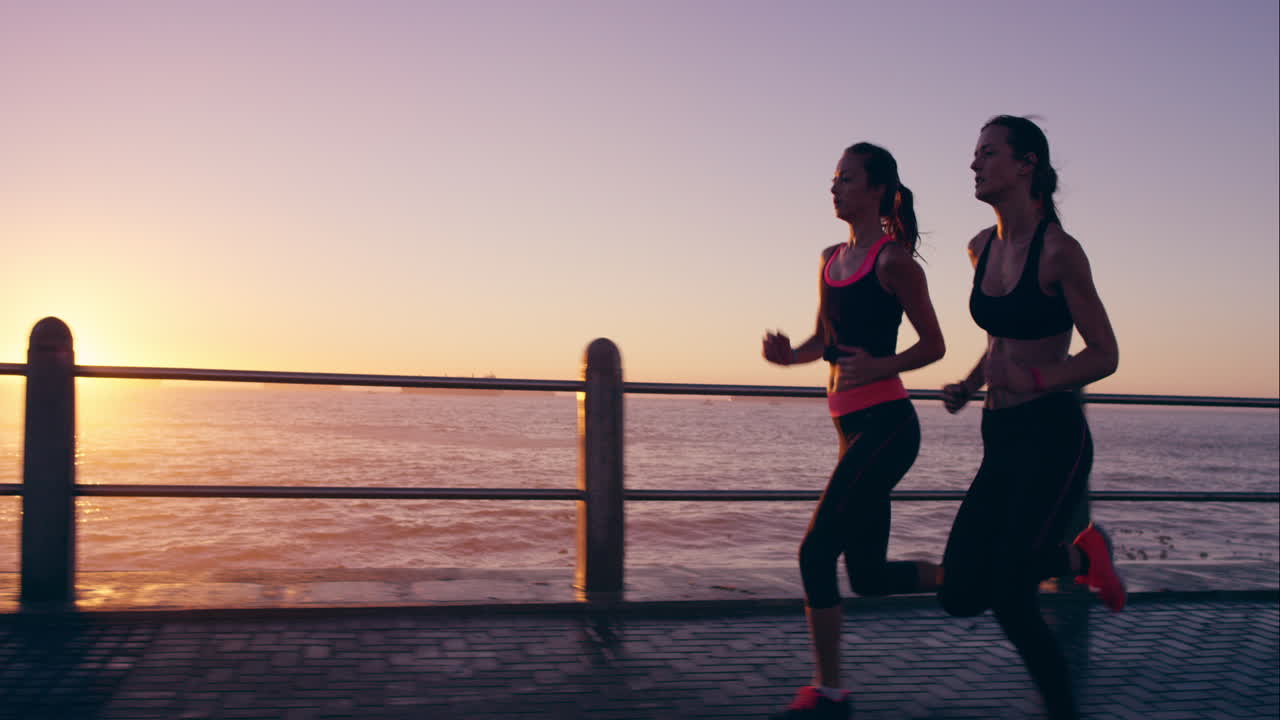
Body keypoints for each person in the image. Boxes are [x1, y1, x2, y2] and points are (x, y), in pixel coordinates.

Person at [938, 115, 1126, 720]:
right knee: (961, 590)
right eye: (974, 153)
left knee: (1012, 599)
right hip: (1000, 435)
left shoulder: (1060, 254)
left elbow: (1105, 353)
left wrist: (1037, 378)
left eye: (988, 153)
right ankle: (1082, 556)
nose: (974, 163)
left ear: (1027, 166)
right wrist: (969, 384)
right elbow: (1001, 336)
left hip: (1052, 436)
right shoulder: (980, 247)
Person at [763, 142, 946, 720]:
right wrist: (789, 355)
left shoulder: (895, 263)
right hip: (850, 427)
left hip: (889, 427)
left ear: (875, 190)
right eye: (833, 178)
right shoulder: (828, 259)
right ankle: (985, 575)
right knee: (866, 577)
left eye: (845, 179)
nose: (834, 187)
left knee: (815, 555)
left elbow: (934, 345)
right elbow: (826, 342)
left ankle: (831, 693)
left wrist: (883, 366)